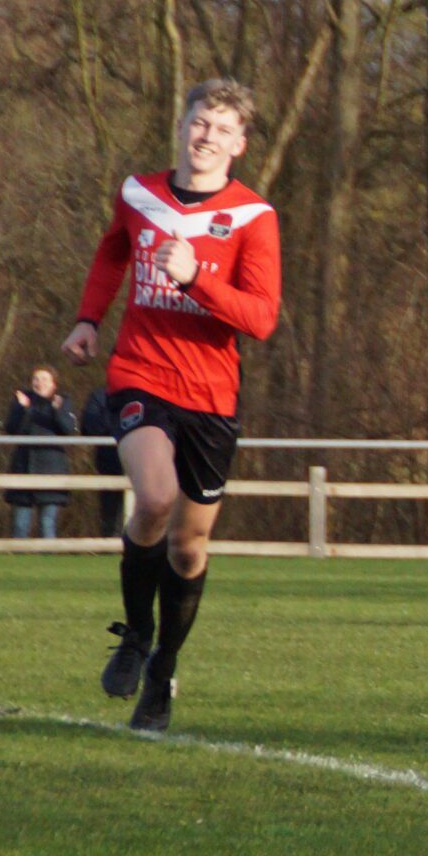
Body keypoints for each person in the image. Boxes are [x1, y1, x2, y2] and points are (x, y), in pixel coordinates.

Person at [61, 77, 282, 732]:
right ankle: (134, 634)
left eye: (221, 128)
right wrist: (88, 319)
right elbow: (112, 251)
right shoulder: (139, 193)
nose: (206, 136)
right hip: (140, 372)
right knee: (153, 499)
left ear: (238, 143)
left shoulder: (253, 218)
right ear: (182, 125)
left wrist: (200, 279)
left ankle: (163, 670)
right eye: (199, 122)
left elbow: (261, 318)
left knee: (188, 548)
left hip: (211, 394)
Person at [3, 367, 78, 539]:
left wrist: (57, 410)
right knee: (20, 524)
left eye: (45, 379)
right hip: (23, 467)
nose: (40, 383)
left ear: (54, 383)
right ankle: (18, 562)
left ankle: (50, 562)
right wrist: (22, 409)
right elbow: (11, 429)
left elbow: (68, 430)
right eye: (36, 379)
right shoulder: (22, 400)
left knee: (47, 522)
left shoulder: (63, 401)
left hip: (51, 469)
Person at [78, 385, 125, 536]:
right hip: (109, 461)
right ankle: (110, 546)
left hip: (144, 463)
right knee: (110, 509)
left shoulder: (147, 394)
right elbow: (89, 425)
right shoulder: (100, 396)